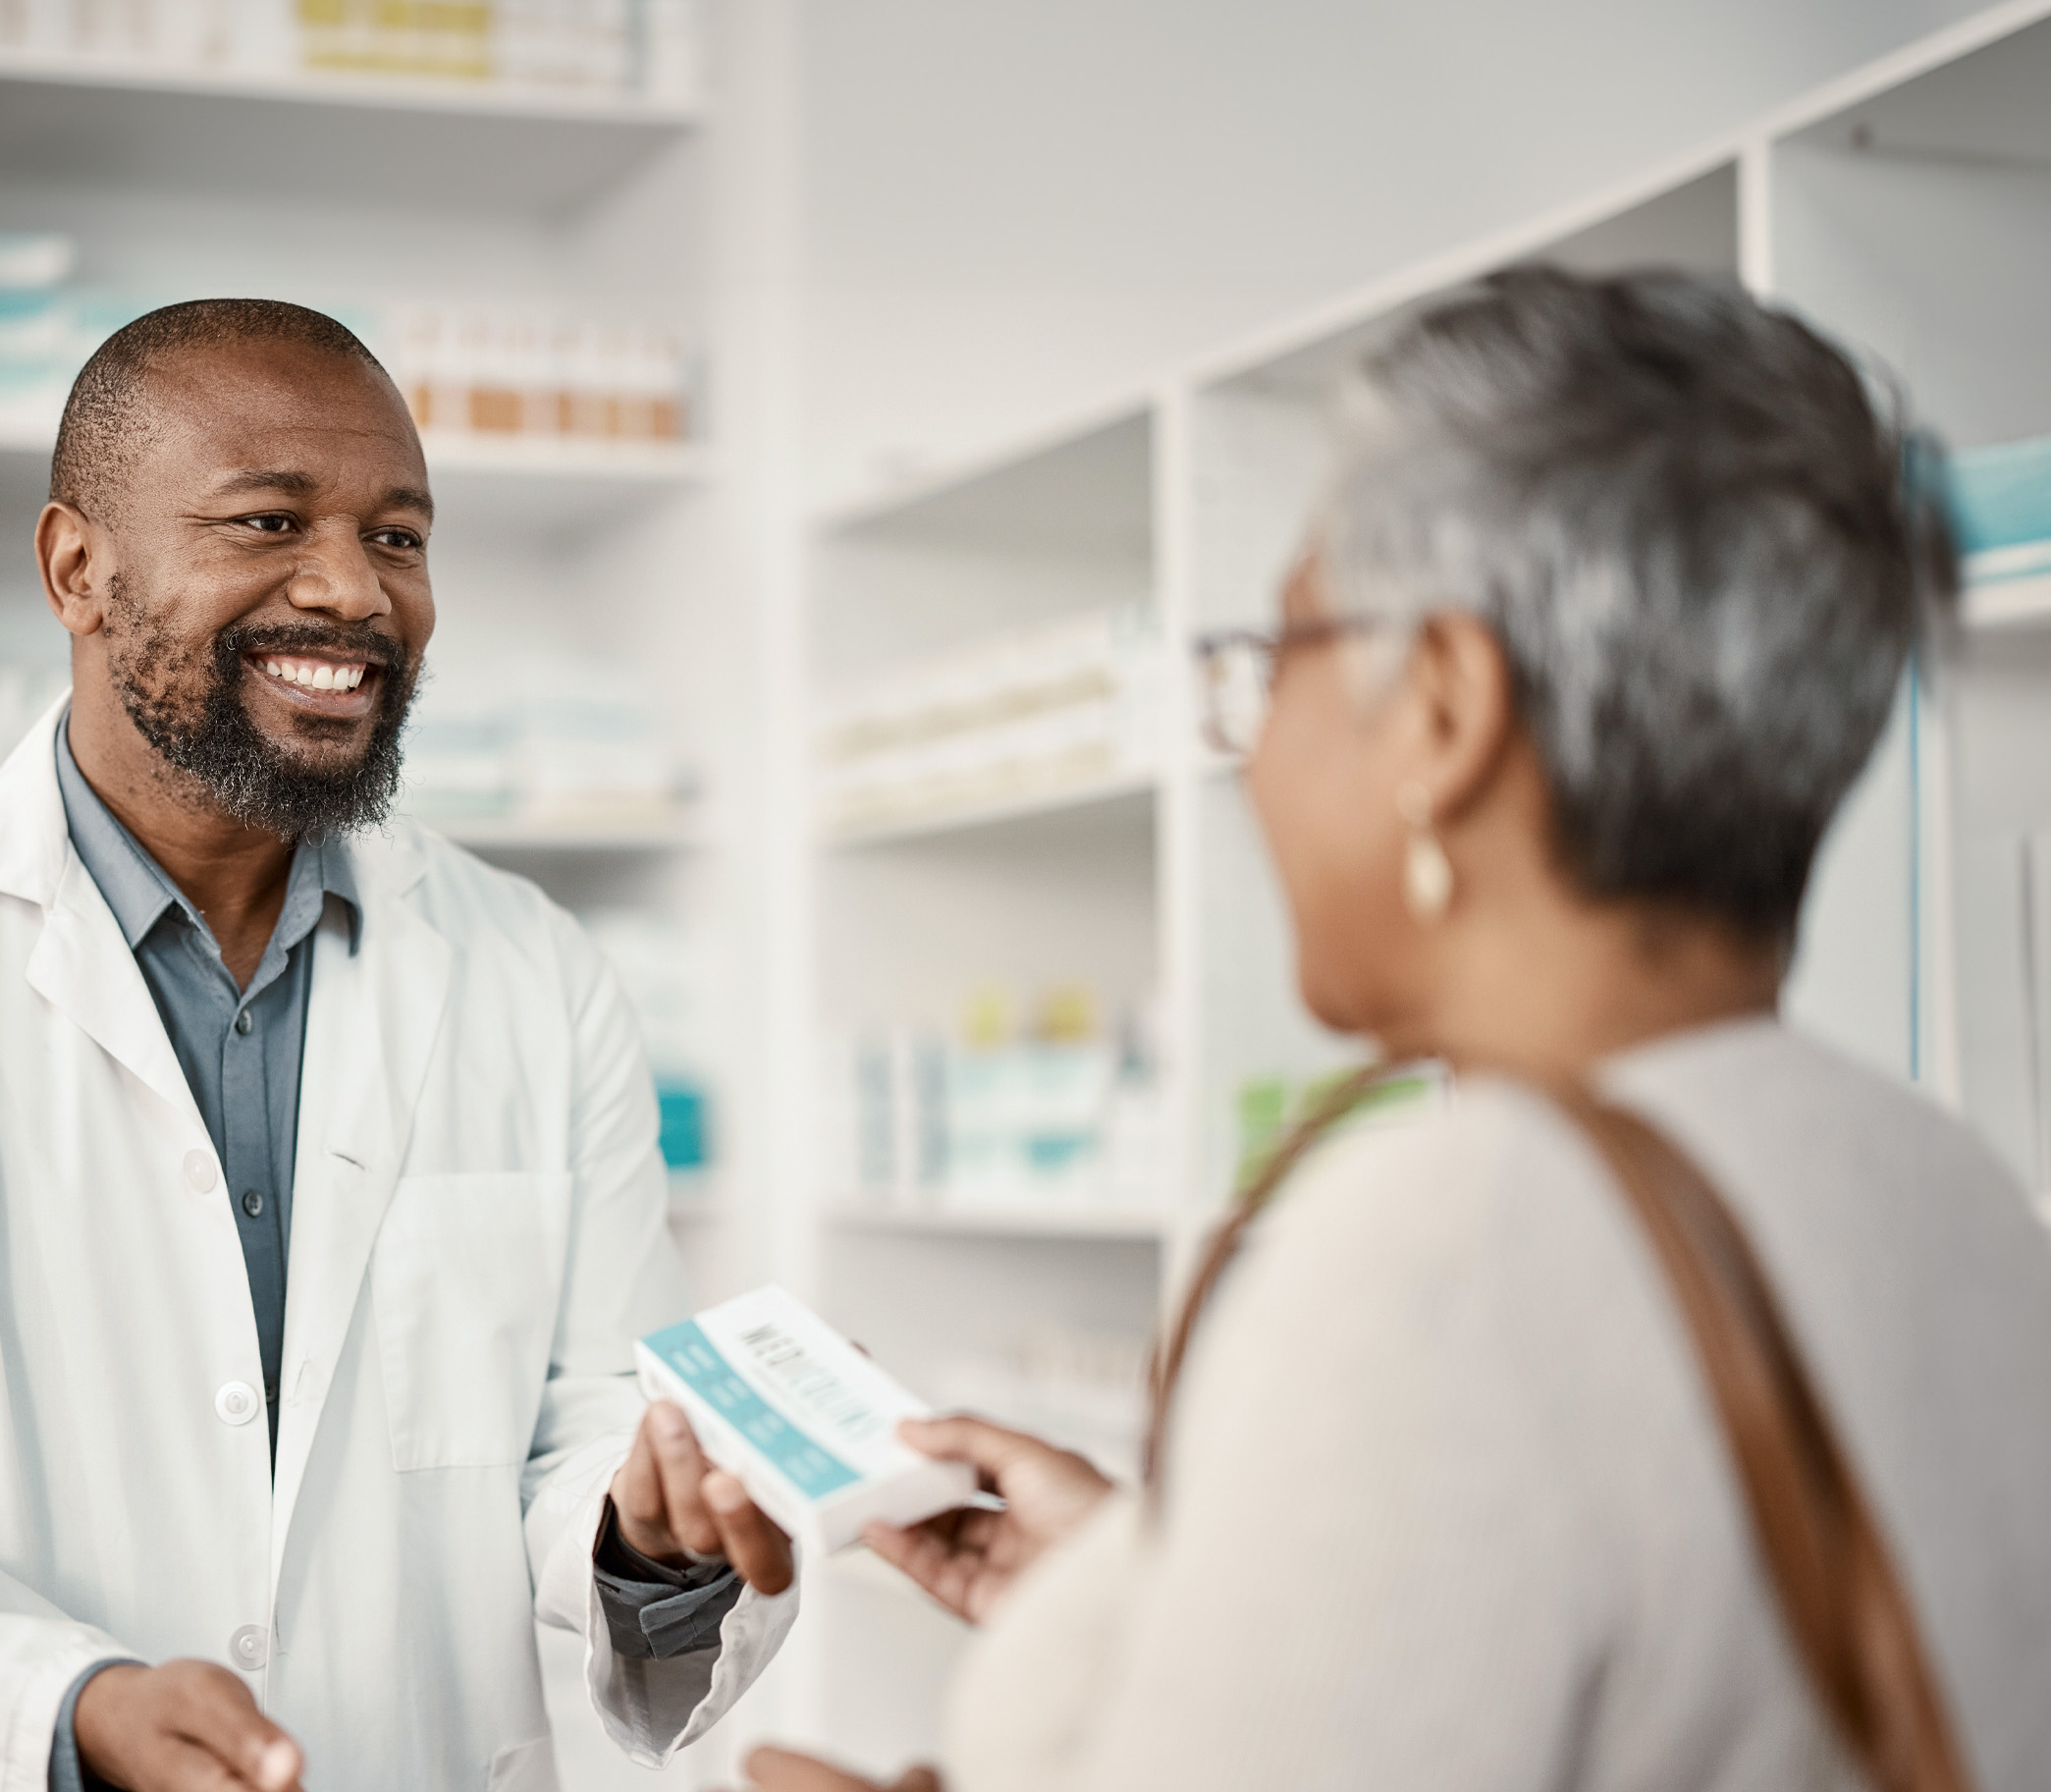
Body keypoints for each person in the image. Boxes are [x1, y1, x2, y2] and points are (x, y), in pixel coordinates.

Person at [746, 268, 2051, 1792]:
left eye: (1278, 651)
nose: (1247, 749)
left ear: (1441, 709)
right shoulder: (1955, 1187)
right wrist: (1165, 1582)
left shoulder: (1446, 1242)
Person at [0, 299, 798, 1792]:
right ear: (78, 566)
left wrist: (646, 1534)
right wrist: (67, 1707)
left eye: (399, 535)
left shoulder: (534, 970)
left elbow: (584, 1436)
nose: (354, 591)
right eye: (269, 520)